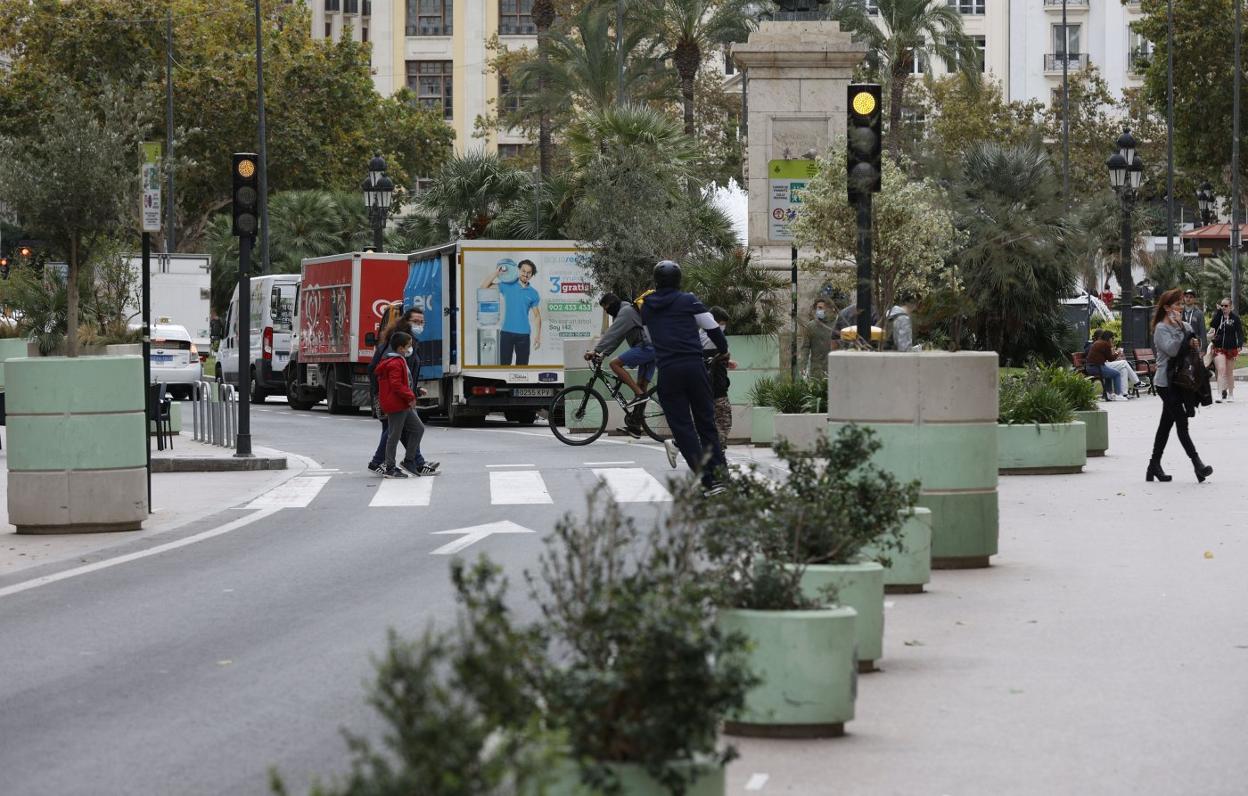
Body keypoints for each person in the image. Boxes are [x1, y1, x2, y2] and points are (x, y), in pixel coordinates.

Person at [639, 260, 730, 496]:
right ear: (678, 280)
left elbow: (649, 338)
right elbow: (711, 327)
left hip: (668, 370)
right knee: (706, 422)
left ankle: (707, 481)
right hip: (694, 366)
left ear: (656, 281)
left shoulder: (646, 307)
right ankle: (721, 478)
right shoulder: (688, 300)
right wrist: (723, 348)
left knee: (683, 429)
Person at [1148, 289, 1213, 483]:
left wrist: (1190, 337)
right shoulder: (1161, 329)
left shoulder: (1183, 325)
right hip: (1165, 383)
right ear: (1167, 308)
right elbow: (1174, 349)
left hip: (1181, 382)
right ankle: (1197, 465)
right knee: (1182, 423)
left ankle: (1153, 465)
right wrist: (1183, 334)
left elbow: (1193, 342)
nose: (1180, 308)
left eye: (1181, 304)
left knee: (1165, 425)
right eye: (1177, 304)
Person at [367, 308, 439, 476]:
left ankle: (409, 461)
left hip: (399, 394)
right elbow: (392, 375)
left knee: (397, 430)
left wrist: (414, 389)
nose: (419, 325)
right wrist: (407, 394)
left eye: (422, 322)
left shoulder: (408, 341)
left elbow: (404, 373)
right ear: (405, 321)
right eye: (415, 321)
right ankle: (407, 463)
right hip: (391, 395)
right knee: (396, 430)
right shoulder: (399, 343)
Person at [586, 292, 655, 436]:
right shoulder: (626, 311)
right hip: (652, 348)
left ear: (612, 303)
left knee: (615, 365)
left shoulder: (626, 312)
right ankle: (635, 426)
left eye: (606, 307)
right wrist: (603, 354)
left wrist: (595, 350)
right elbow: (618, 338)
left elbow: (612, 333)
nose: (606, 311)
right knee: (642, 385)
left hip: (646, 347)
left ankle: (639, 394)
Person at [375, 331, 426, 479]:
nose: (410, 348)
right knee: (394, 435)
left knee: (418, 429)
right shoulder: (395, 363)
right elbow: (396, 384)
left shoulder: (399, 360)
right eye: (408, 346)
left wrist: (413, 393)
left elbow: (405, 382)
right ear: (400, 348)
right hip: (396, 403)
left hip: (402, 403)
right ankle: (390, 467)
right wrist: (411, 396)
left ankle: (409, 460)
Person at [482, 258, 541, 365]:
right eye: (523, 271)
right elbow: (484, 287)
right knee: (504, 366)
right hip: (506, 333)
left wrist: (538, 336)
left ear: (532, 275)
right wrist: (496, 272)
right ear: (518, 270)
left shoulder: (533, 293)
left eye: (529, 273)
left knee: (522, 369)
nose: (526, 274)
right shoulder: (507, 285)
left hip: (524, 335)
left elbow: (537, 316)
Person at [700, 306, 737, 448]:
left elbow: (709, 359)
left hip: (703, 385)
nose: (723, 327)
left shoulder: (699, 335)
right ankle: (718, 451)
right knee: (724, 420)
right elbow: (717, 357)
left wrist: (727, 362)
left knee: (706, 422)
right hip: (716, 385)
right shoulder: (713, 338)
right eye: (721, 324)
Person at [1085, 330, 1139, 400]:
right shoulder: (1105, 344)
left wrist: (1114, 352)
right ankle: (1118, 394)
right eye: (1112, 338)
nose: (1113, 340)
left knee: (1121, 369)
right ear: (1109, 338)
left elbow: (1107, 357)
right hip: (1096, 367)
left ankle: (1110, 394)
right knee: (1117, 373)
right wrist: (1118, 353)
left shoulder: (1099, 342)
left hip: (1092, 367)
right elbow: (1110, 359)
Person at [1209, 297, 1243, 402]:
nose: (1223, 307)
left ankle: (1231, 394)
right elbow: (1212, 325)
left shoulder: (1235, 318)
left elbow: (1239, 333)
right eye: (1222, 305)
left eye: (1226, 306)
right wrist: (1219, 312)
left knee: (1229, 372)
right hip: (1219, 348)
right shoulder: (1219, 317)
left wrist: (1239, 344)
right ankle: (1219, 394)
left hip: (1231, 348)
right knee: (1221, 370)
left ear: (1231, 307)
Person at [802, 299, 837, 377]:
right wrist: (803, 366)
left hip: (833, 369)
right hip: (816, 370)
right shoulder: (811, 326)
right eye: (818, 308)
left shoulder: (837, 325)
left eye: (821, 308)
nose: (819, 310)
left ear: (830, 309)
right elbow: (805, 347)